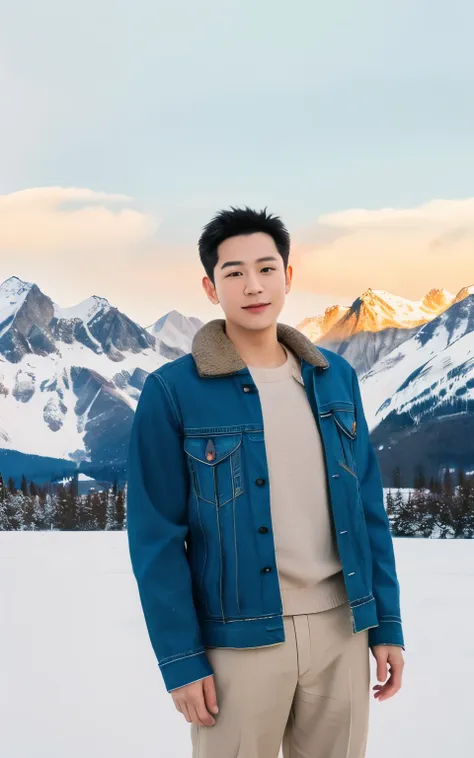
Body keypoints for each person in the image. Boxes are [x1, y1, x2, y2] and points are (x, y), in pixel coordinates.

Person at [126, 206, 405, 758]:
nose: (253, 286)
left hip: (342, 630)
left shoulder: (337, 378)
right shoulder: (172, 392)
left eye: (266, 268)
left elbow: (367, 506)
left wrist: (387, 623)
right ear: (211, 287)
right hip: (238, 640)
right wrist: (180, 658)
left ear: (288, 276)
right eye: (233, 273)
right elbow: (155, 537)